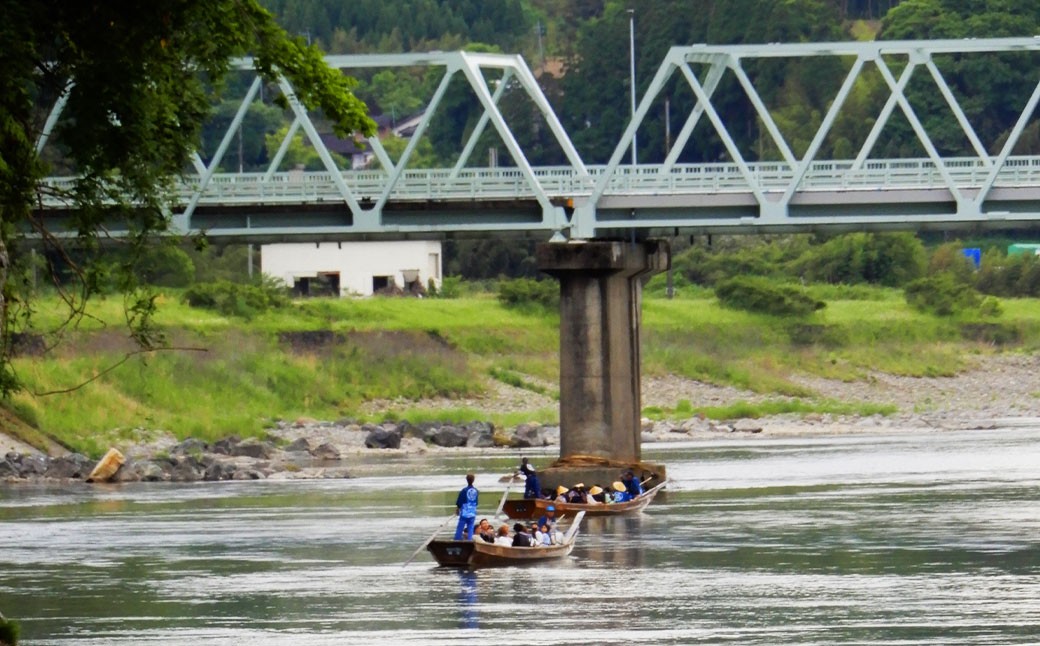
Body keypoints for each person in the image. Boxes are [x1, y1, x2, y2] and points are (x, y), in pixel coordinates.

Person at [453, 473, 479, 540]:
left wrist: (458, 508)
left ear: (466, 480)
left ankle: (457, 539)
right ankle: (470, 540)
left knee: (460, 526)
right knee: (470, 527)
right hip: (472, 511)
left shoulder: (464, 490)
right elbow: (476, 502)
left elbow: (460, 501)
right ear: (473, 480)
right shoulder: (475, 490)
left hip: (465, 510)